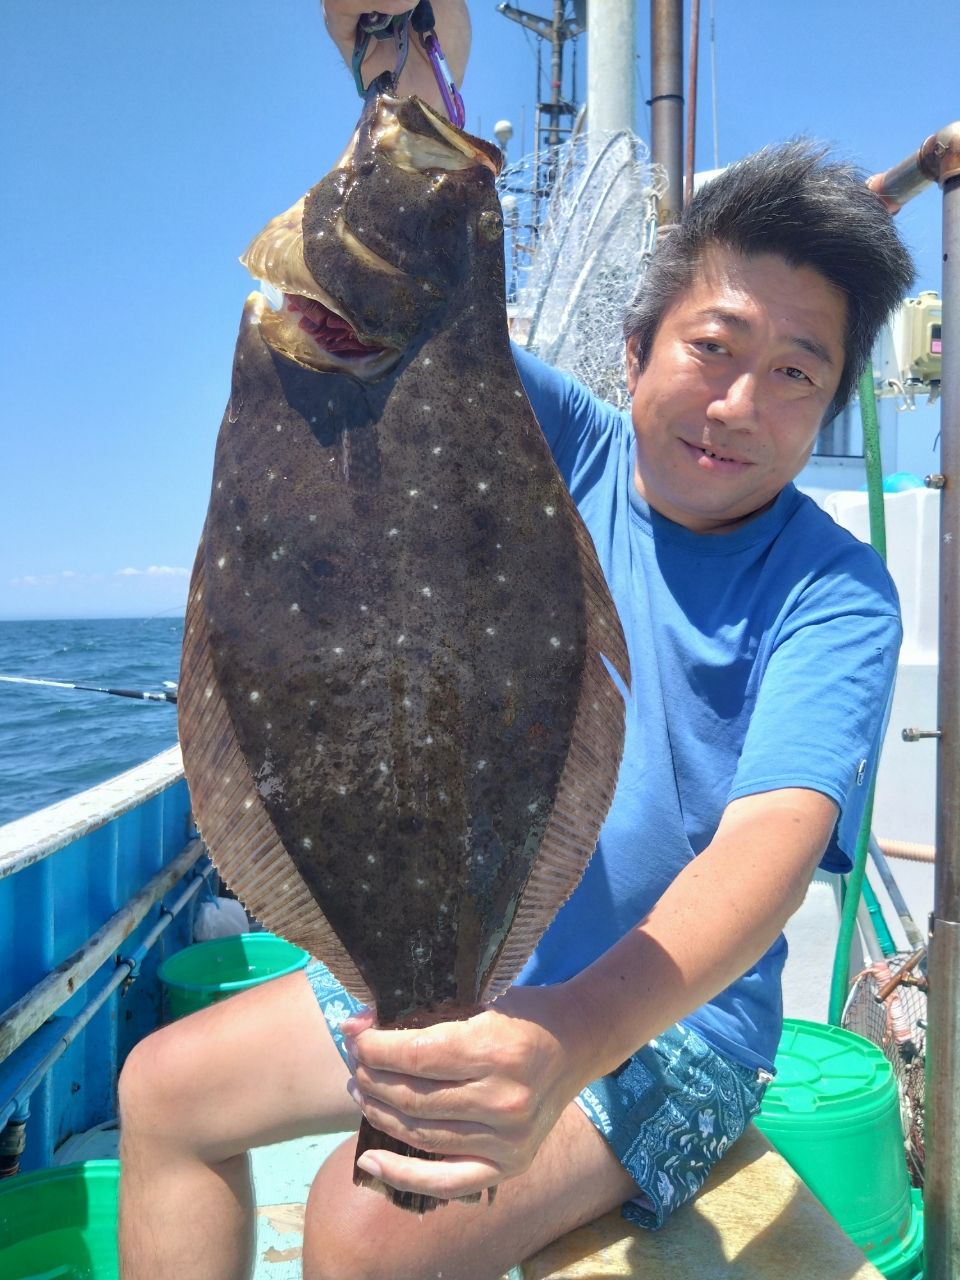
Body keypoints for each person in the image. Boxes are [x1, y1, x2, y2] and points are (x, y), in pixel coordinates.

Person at [116, 3, 915, 1277]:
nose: (739, 402)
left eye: (796, 375)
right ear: (637, 348)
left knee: (362, 1219)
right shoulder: (556, 438)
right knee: (164, 1089)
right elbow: (391, 304)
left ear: (826, 408)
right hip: (465, 950)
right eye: (714, 347)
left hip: (669, 1028)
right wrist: (401, 79)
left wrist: (565, 1036)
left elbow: (770, 848)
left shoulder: (837, 590)